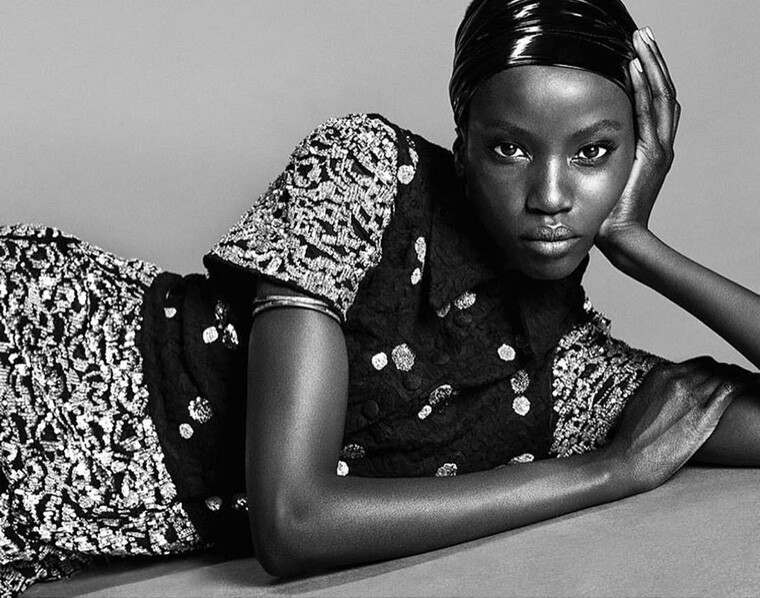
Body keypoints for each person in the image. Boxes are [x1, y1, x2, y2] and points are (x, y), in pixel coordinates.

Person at [2, 0, 760, 594]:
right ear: (463, 148)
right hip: (39, 341)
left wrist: (638, 245)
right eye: (509, 148)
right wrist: (606, 474)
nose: (551, 195)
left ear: (638, 160)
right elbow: (292, 522)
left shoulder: (576, 380)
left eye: (594, 152)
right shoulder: (363, 175)